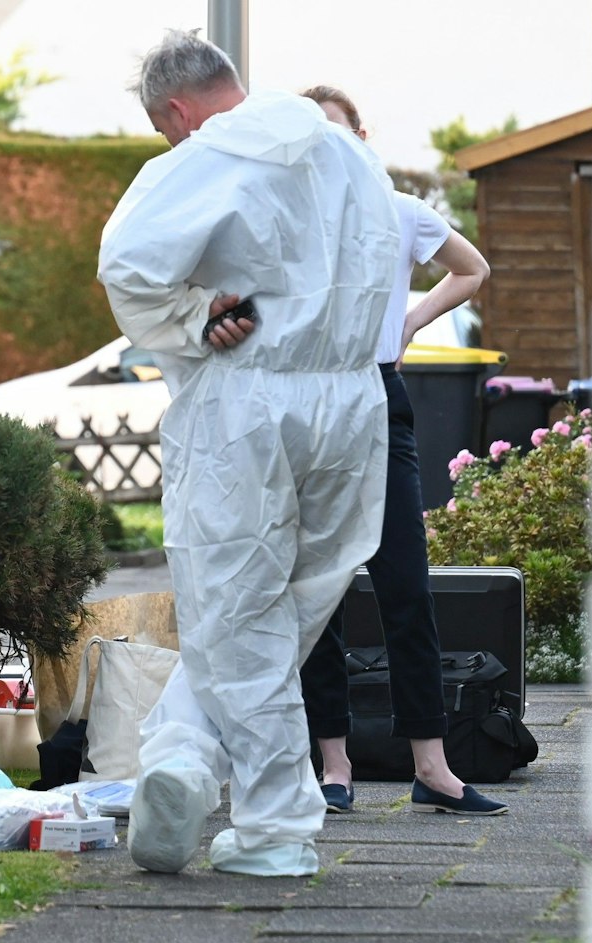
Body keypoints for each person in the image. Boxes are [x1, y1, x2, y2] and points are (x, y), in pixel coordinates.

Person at [97, 32, 401, 877]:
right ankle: (183, 750)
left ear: (176, 112)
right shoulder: (349, 154)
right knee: (294, 605)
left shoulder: (204, 154)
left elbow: (127, 264)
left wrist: (194, 320)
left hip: (249, 395)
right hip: (351, 401)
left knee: (236, 609)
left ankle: (271, 825)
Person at [294, 86, 505, 817]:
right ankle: (333, 765)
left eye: (335, 131)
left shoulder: (399, 212)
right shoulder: (293, 218)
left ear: (361, 132)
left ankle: (433, 767)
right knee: (316, 592)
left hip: (379, 401)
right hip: (311, 400)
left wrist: (410, 322)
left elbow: (471, 268)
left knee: (405, 588)